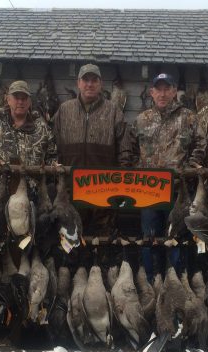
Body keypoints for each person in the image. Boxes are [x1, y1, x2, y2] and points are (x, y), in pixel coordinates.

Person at [130, 73, 202, 276]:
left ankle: (175, 281)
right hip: (148, 191)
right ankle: (151, 282)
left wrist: (189, 168)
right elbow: (131, 149)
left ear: (174, 91)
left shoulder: (188, 117)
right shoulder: (141, 120)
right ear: (151, 93)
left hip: (178, 192)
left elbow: (200, 144)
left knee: (176, 237)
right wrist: (139, 171)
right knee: (149, 238)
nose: (162, 94)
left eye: (166, 89)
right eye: (158, 89)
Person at [52, 63, 131, 233]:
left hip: (104, 189)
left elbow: (124, 150)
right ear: (78, 83)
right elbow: (53, 145)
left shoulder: (113, 111)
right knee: (71, 236)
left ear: (100, 84)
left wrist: (120, 184)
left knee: (102, 238)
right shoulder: (64, 110)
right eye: (85, 80)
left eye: (94, 80)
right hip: (71, 189)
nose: (90, 84)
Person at [0, 80, 57, 167]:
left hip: (33, 176)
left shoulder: (43, 129)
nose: (20, 102)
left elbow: (52, 158)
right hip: (0, 176)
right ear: (8, 100)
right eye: (16, 98)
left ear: (29, 102)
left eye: (24, 98)